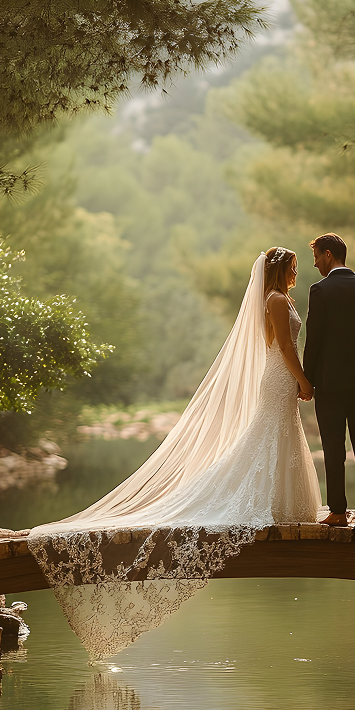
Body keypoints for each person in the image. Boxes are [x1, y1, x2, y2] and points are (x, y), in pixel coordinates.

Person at [29, 247, 321, 660]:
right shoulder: (274, 301)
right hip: (279, 376)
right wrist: (304, 381)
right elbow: (286, 350)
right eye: (292, 268)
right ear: (278, 270)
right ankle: (258, 500)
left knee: (278, 434)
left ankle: (280, 502)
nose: (296, 274)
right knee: (269, 433)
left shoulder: (281, 299)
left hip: (281, 379)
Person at [303, 233, 355, 529]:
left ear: (328, 254)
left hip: (330, 384)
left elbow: (314, 340)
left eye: (316, 257)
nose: (315, 265)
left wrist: (308, 380)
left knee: (333, 448)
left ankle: (338, 511)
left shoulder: (321, 290)